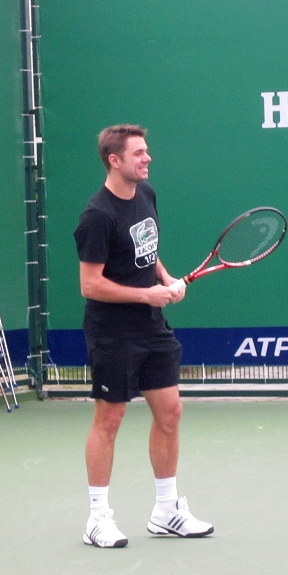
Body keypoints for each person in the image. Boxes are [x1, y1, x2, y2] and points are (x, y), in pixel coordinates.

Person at [73, 124, 214, 548]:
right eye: (138, 153)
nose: (147, 158)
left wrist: (166, 279)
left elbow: (146, 252)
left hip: (151, 327)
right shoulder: (97, 216)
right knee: (110, 419)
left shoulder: (146, 195)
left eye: (146, 151)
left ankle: (166, 511)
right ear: (114, 160)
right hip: (112, 332)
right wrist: (145, 295)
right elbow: (90, 284)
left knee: (170, 412)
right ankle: (97, 519)